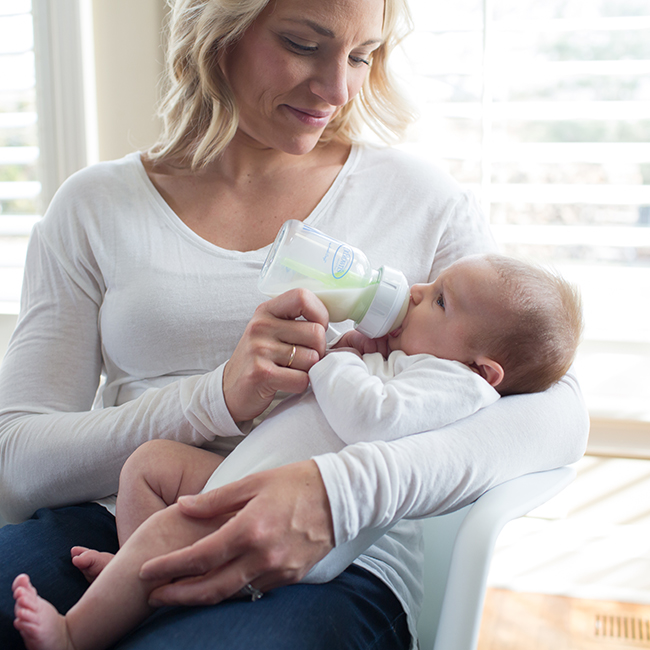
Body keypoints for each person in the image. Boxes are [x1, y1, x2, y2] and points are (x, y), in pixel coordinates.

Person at [0, 0, 589, 648]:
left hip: (330, 556)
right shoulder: (94, 207)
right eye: (304, 44)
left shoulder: (423, 201)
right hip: (119, 518)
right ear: (220, 33)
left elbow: (554, 412)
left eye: (361, 56)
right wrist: (214, 398)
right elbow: (19, 459)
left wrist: (336, 495)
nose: (338, 89)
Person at [11, 253, 584, 650]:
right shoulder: (421, 361)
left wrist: (341, 359)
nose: (414, 291)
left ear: (484, 370)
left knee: (173, 530)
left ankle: (75, 634)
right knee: (151, 464)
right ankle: (134, 571)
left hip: (298, 526)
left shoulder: (457, 384)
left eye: (438, 301)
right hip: (241, 472)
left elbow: (372, 416)